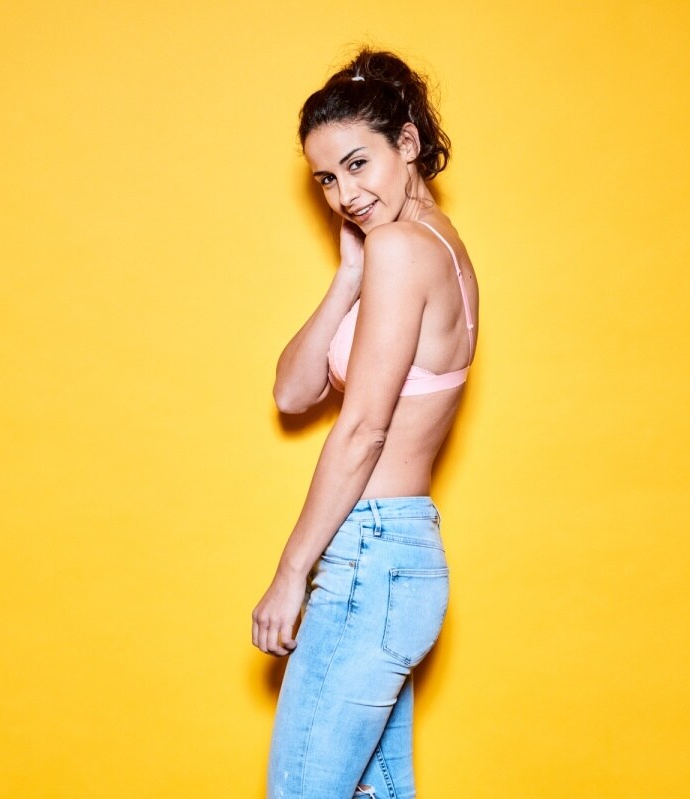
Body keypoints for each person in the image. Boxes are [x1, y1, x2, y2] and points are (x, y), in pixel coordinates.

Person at [251, 48, 479, 799]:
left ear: (407, 143)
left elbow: (363, 430)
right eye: (327, 179)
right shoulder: (430, 245)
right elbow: (292, 393)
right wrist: (347, 275)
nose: (345, 194)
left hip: (370, 557)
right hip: (397, 555)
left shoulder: (402, 249)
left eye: (357, 165)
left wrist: (291, 572)